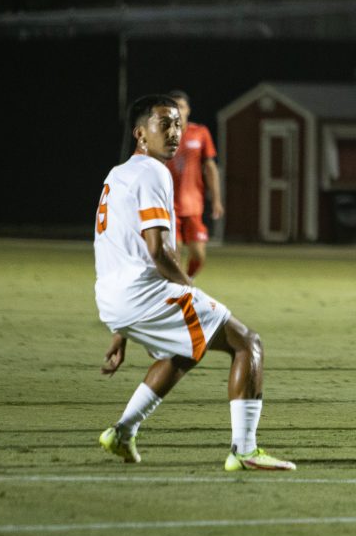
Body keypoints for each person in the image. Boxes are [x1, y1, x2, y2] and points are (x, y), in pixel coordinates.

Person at [95, 94, 294, 471]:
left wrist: (119, 330)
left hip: (113, 298)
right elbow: (158, 250)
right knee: (247, 343)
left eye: (177, 124)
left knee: (187, 350)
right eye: (163, 124)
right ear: (140, 134)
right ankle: (245, 450)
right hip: (144, 294)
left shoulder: (117, 174)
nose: (174, 132)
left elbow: (121, 250)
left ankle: (122, 432)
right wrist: (189, 288)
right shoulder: (153, 172)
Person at [166, 90, 224, 280]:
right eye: (173, 108)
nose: (178, 111)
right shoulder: (160, 135)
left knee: (198, 255)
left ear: (188, 110)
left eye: (181, 107)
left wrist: (216, 199)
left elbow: (210, 168)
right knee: (174, 252)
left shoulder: (200, 133)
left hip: (193, 204)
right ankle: (175, 291)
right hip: (168, 204)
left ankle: (186, 281)